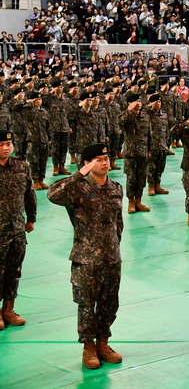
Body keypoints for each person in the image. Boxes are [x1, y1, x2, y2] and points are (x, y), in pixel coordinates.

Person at [47, 143, 124, 370]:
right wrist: (79, 175)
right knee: (86, 304)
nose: (104, 162)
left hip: (111, 256)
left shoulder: (116, 188)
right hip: (86, 258)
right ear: (87, 164)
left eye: (106, 158)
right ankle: (88, 347)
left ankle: (103, 343)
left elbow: (118, 223)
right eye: (98, 159)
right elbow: (53, 195)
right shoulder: (77, 189)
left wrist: (116, 247)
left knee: (109, 303)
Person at [0, 131, 36, 331]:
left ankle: (8, 309)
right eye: (1, 144)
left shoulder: (21, 167)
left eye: (8, 143)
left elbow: (29, 194)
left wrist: (31, 218)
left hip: (16, 229)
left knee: (14, 270)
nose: (6, 148)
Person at [118, 94, 151, 214]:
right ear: (129, 103)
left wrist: (149, 150)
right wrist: (129, 110)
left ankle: (138, 201)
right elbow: (120, 122)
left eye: (139, 101)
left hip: (143, 152)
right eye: (135, 101)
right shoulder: (127, 116)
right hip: (130, 153)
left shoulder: (145, 117)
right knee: (131, 178)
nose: (138, 103)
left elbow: (149, 134)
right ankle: (131, 202)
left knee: (141, 179)